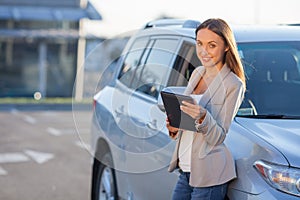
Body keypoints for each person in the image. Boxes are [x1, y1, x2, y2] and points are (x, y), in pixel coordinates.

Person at [166, 18, 246, 200]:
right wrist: (174, 126)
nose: (204, 51)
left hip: (210, 175)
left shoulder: (233, 84)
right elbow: (188, 124)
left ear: (226, 46)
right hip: (185, 170)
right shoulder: (197, 73)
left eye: (212, 45)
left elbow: (218, 136)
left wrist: (203, 117)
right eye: (200, 44)